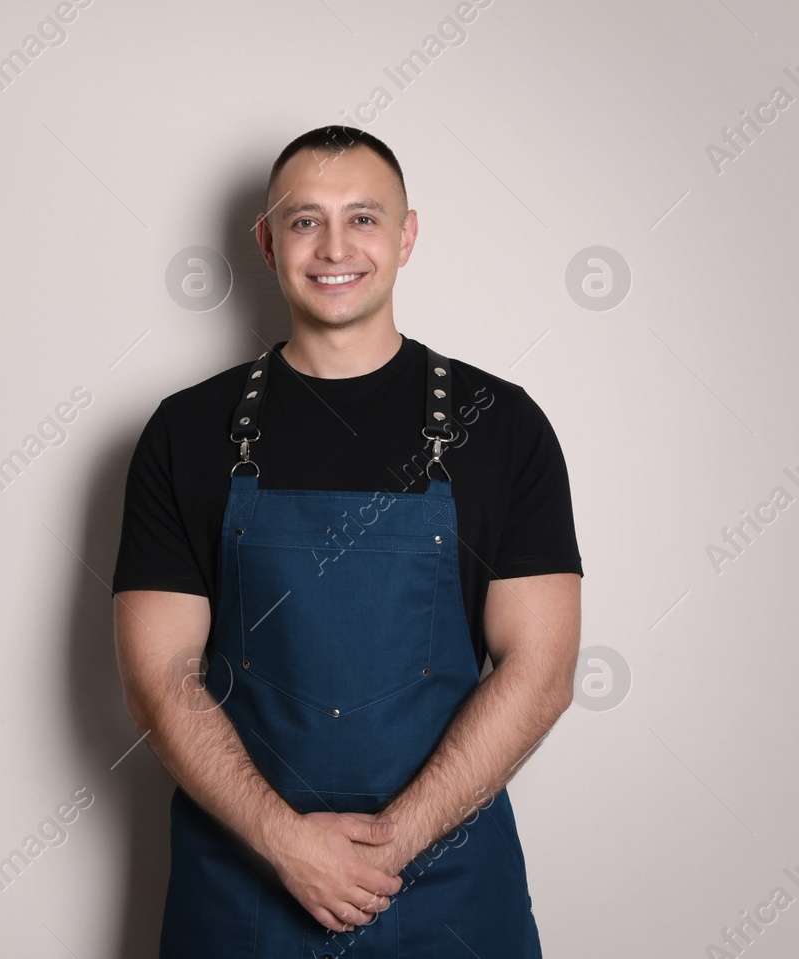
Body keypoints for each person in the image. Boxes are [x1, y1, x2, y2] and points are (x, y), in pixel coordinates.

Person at [111, 125, 583, 957]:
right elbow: (158, 678)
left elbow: (540, 672)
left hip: (447, 891)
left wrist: (391, 843)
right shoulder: (187, 431)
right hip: (244, 888)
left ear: (406, 236)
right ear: (265, 240)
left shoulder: (502, 425)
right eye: (304, 221)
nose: (335, 246)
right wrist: (287, 843)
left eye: (364, 218)